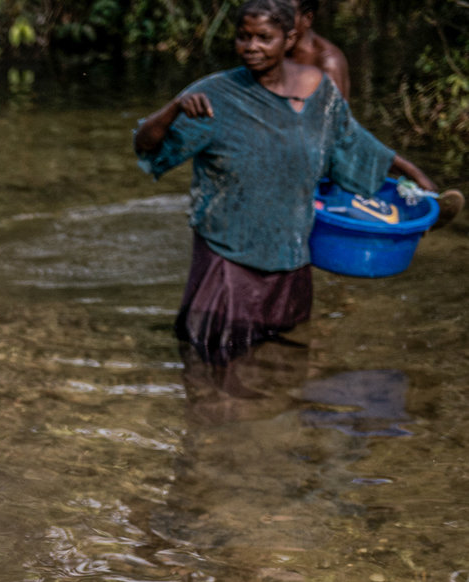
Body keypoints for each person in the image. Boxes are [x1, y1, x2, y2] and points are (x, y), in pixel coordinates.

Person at [133, 0, 442, 382]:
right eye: (243, 37)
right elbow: (147, 145)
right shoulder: (215, 96)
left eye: (264, 38)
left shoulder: (319, 92)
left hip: (291, 258)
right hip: (229, 257)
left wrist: (416, 176)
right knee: (215, 375)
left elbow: (354, 145)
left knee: (283, 374)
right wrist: (175, 109)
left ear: (289, 37)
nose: (252, 47)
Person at [290, 0, 462, 226]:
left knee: (350, 145)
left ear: (307, 18)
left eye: (283, 17)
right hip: (298, 136)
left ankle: (419, 194)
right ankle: (417, 182)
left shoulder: (326, 60)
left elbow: (333, 125)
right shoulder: (274, 49)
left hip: (323, 140)